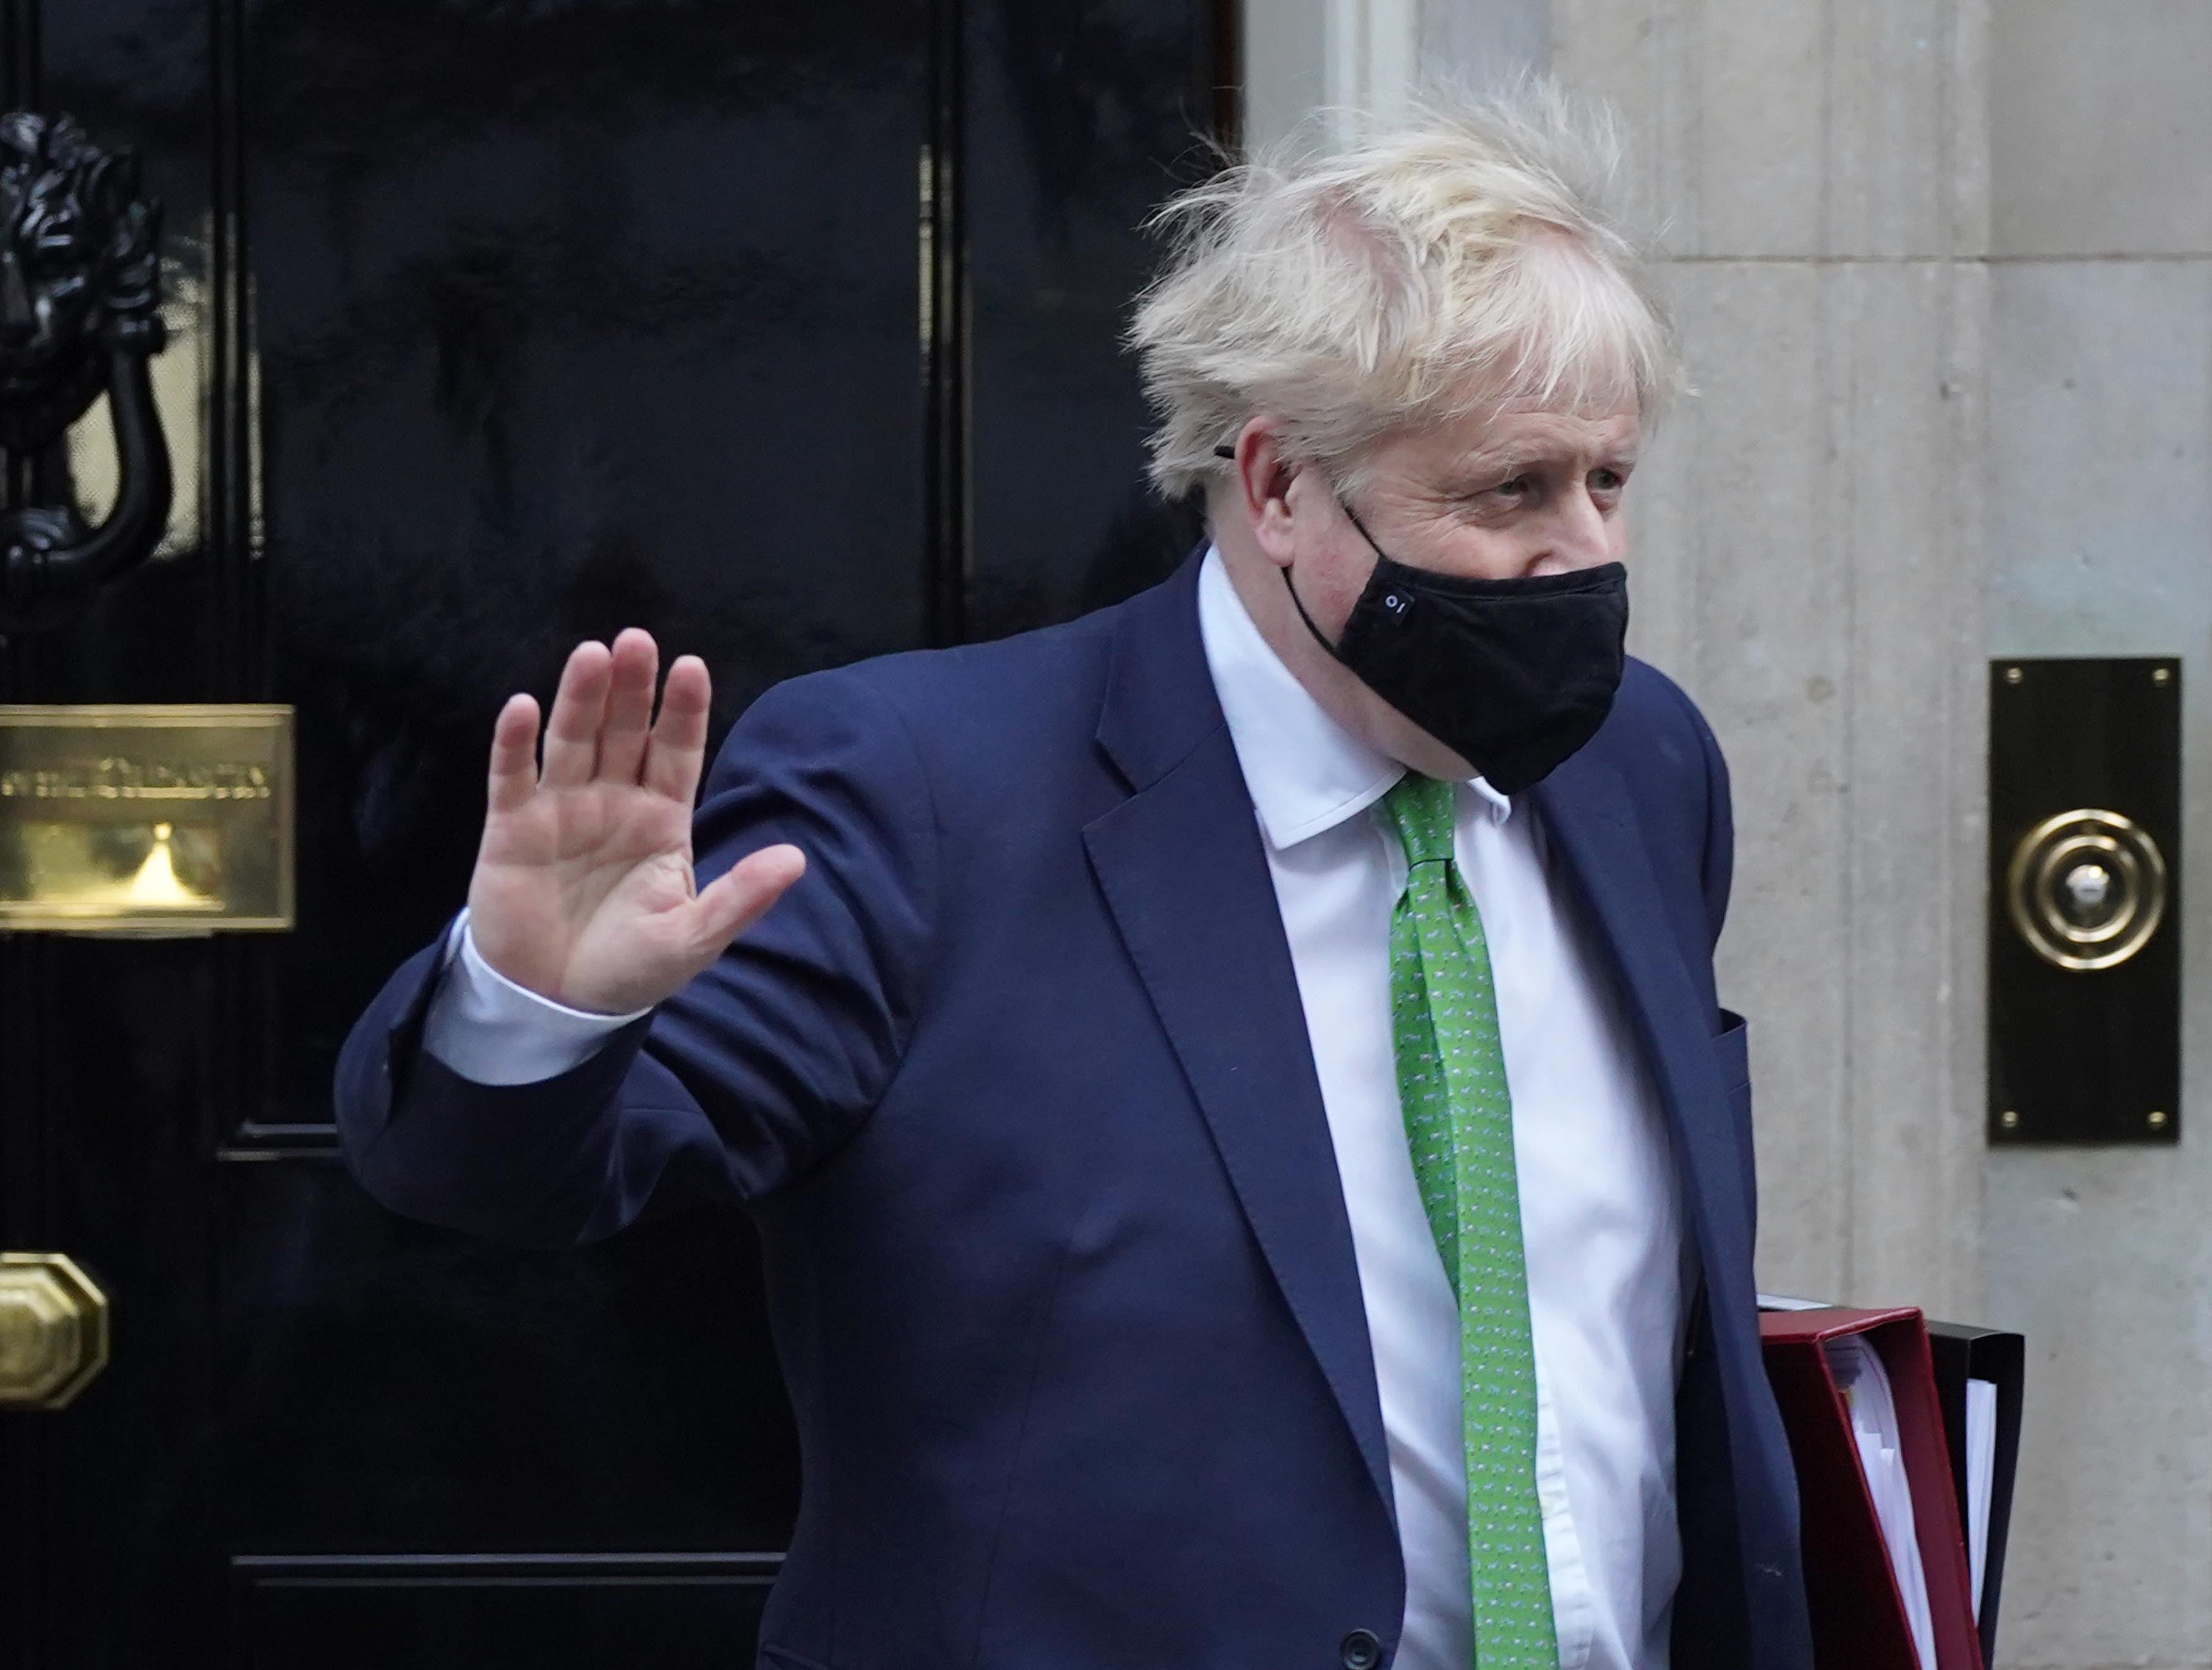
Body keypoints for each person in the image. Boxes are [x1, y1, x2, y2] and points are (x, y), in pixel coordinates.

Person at [337, 87, 1810, 1670]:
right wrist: (535, 1004)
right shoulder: (921, 793)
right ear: (1277, 484)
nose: (1581, 553)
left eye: (1606, 480)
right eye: (1507, 492)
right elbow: (523, 1183)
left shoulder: (1639, 769)